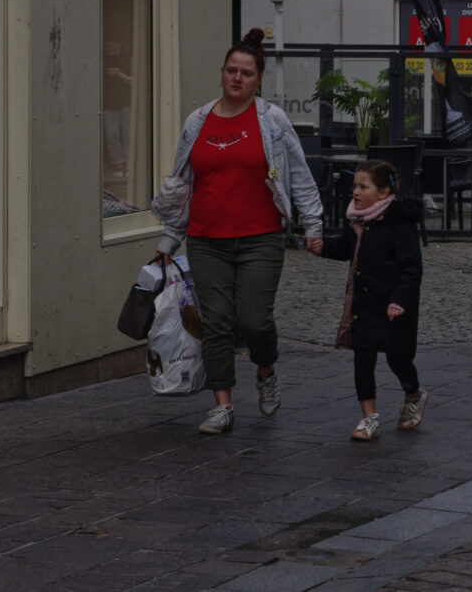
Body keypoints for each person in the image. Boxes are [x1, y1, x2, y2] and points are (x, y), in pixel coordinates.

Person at [153, 29, 326, 436]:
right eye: (231, 70)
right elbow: (182, 184)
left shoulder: (272, 121)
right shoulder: (197, 121)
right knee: (216, 322)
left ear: (258, 79)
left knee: (254, 321)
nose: (237, 78)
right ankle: (222, 405)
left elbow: (298, 174)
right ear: (221, 74)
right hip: (206, 239)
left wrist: (313, 224)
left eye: (246, 73)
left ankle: (266, 371)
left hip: (260, 238)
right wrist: (168, 240)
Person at [322, 160, 427, 441]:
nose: (355, 192)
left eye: (362, 186)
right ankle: (369, 418)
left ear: (382, 193)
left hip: (394, 306)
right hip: (365, 303)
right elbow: (346, 248)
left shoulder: (399, 224)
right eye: (354, 186)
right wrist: (322, 246)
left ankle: (414, 393)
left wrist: (399, 301)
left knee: (398, 358)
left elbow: (411, 268)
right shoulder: (358, 220)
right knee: (363, 357)